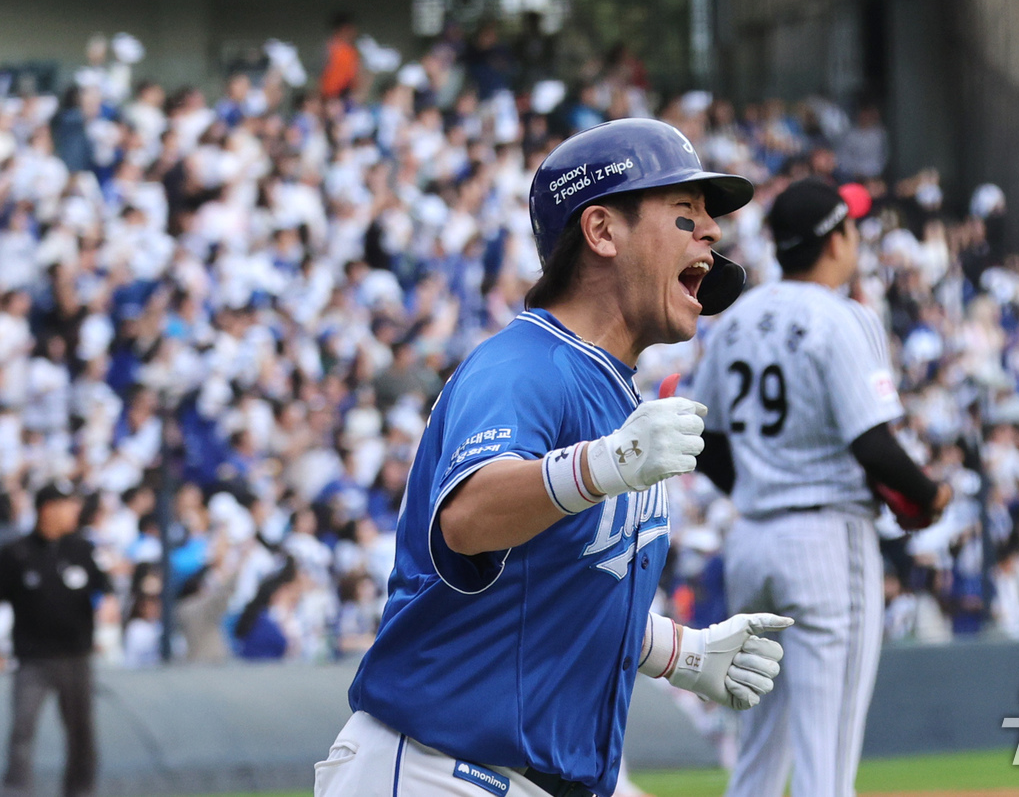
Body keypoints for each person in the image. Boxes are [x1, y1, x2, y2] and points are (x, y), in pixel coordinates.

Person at [318, 118, 793, 797]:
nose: (712, 232)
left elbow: (557, 588)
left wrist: (675, 652)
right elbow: (470, 516)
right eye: (686, 216)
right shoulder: (524, 366)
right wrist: (605, 465)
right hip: (437, 769)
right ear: (601, 232)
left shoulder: (613, 400)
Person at [692, 178, 950, 797]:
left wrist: (757, 486)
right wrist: (932, 494)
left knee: (756, 760)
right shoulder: (845, 316)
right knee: (825, 764)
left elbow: (704, 438)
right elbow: (873, 444)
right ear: (837, 239)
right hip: (827, 539)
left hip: (752, 539)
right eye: (852, 228)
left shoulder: (737, 319)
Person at [0, 482, 112, 797]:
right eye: (68, 504)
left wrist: (105, 618)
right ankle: (16, 791)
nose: (75, 511)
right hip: (33, 660)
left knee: (82, 734)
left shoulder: (82, 549)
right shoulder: (16, 553)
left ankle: (80, 791)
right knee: (22, 730)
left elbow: (104, 591)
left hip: (76, 657)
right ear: (48, 508)